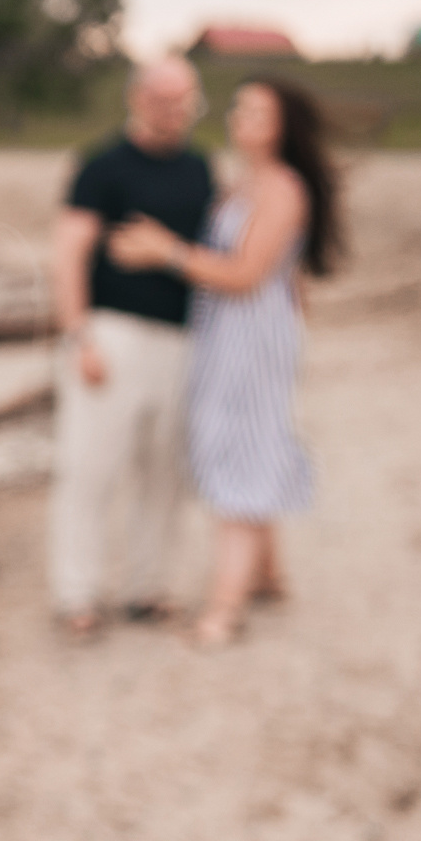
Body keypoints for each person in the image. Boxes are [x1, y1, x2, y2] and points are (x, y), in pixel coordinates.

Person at [109, 76, 344, 648]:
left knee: (241, 448)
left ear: (283, 128)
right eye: (240, 106)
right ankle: (268, 575)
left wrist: (164, 250)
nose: (240, 116)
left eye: (257, 111)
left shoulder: (282, 188)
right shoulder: (243, 181)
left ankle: (225, 608)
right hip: (227, 332)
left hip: (250, 336)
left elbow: (244, 275)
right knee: (251, 440)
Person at [45, 58, 216, 639]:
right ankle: (77, 595)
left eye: (185, 100)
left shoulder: (200, 168)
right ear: (137, 99)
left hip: (182, 338)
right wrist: (78, 336)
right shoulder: (101, 166)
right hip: (111, 333)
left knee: (165, 474)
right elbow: (68, 254)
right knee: (90, 470)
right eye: (164, 99)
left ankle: (149, 588)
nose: (175, 111)